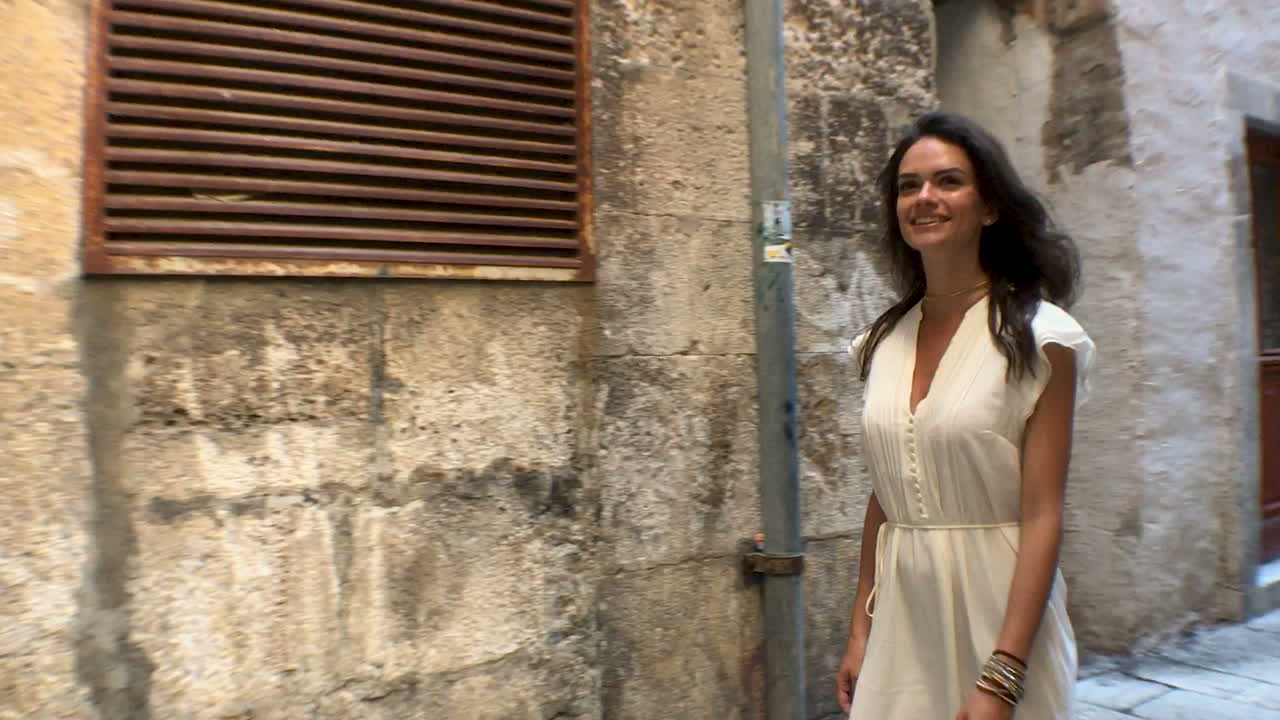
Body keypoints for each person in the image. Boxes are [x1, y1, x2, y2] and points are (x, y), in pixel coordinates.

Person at [835, 111, 1094, 720]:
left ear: (990, 207)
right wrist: (858, 629)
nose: (924, 197)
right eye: (908, 185)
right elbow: (888, 492)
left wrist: (1002, 676)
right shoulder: (881, 340)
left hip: (999, 609)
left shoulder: (1040, 338)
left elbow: (1043, 513)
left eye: (948, 181)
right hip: (903, 613)